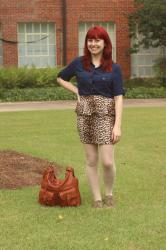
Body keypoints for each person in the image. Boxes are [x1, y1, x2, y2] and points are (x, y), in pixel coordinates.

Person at [57, 26, 124, 208]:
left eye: (97, 40)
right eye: (90, 40)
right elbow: (61, 78)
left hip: (105, 116)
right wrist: (77, 91)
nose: (93, 44)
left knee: (108, 162)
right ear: (87, 43)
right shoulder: (79, 63)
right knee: (91, 160)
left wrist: (117, 125)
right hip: (85, 115)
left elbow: (118, 97)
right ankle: (97, 199)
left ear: (104, 43)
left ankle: (109, 193)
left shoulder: (114, 68)